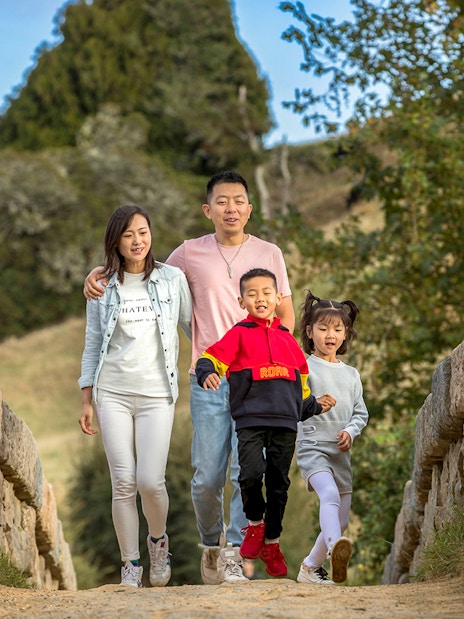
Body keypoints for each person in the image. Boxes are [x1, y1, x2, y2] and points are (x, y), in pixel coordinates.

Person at [83, 170, 295, 584]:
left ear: (249, 209)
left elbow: (285, 314)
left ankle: (234, 554)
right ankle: (210, 543)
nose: (230, 208)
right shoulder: (188, 255)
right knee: (208, 477)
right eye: (222, 201)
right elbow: (142, 268)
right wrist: (97, 273)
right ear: (208, 209)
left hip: (259, 379)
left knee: (244, 471)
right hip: (210, 379)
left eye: (238, 201)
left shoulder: (270, 253)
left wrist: (276, 360)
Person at [78, 204, 192, 588]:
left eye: (142, 232)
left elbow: (194, 326)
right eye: (128, 235)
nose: (137, 241)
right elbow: (93, 343)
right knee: (123, 481)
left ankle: (158, 541)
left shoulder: (172, 279)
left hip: (158, 392)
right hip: (113, 392)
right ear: (116, 241)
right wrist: (86, 399)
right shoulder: (102, 285)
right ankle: (131, 564)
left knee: (150, 481)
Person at [195, 269, 336, 578]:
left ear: (277, 298)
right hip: (250, 419)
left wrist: (315, 405)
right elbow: (210, 358)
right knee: (248, 474)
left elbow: (302, 389)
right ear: (242, 300)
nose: (260, 298)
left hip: (285, 423)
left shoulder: (289, 341)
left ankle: (271, 542)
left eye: (267, 293)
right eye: (253, 294)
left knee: (278, 484)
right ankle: (255, 525)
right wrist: (207, 372)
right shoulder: (239, 333)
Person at [296, 290, 369, 585]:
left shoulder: (351, 374)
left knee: (340, 518)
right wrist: (314, 404)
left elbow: (360, 414)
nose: (330, 335)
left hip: (340, 452)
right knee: (328, 496)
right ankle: (334, 550)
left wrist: (350, 432)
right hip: (312, 446)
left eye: (337, 329)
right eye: (323, 328)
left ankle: (310, 567)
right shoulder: (304, 367)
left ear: (346, 334)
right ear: (310, 332)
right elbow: (295, 404)